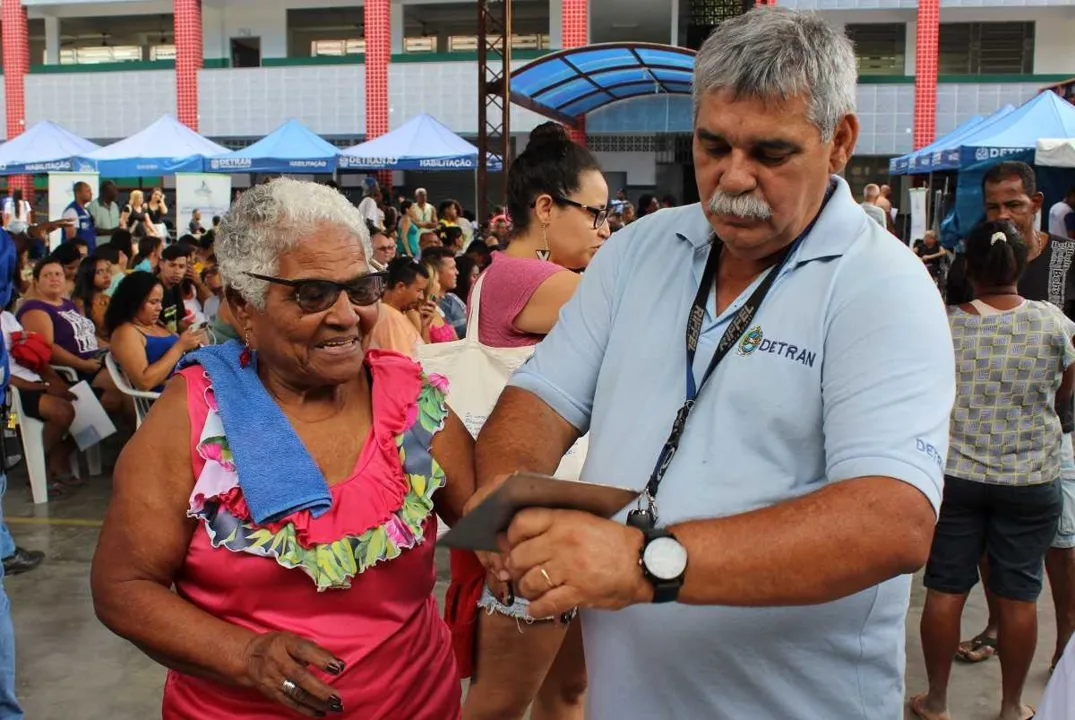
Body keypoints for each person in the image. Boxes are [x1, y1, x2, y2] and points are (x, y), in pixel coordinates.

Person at [468, 8, 954, 718]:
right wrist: (507, 499)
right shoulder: (641, 250)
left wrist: (644, 563)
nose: (732, 179)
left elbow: (891, 520)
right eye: (711, 145)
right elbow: (539, 398)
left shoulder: (879, 286)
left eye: (770, 153)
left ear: (839, 141)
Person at [90, 177, 474, 719]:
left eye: (361, 288)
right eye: (313, 294)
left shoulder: (413, 403)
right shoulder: (195, 419)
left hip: (419, 704)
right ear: (243, 307)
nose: (347, 316)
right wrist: (244, 655)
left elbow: (486, 525)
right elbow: (123, 586)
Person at [449, 121, 610, 720]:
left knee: (565, 691)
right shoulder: (528, 277)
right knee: (498, 705)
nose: (604, 228)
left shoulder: (503, 274)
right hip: (536, 515)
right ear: (546, 208)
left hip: (557, 507)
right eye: (594, 214)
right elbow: (639, 311)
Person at [914, 219, 1071, 720]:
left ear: (969, 268)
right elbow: (1063, 394)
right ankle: (1009, 707)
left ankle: (935, 702)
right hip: (1030, 479)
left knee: (945, 588)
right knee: (1019, 595)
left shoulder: (945, 323)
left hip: (956, 478)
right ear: (1022, 264)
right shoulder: (1054, 323)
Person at [958, 160, 1075, 671]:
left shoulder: (1068, 259)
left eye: (1014, 204)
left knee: (1061, 543)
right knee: (990, 544)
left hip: (1058, 433)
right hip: (983, 441)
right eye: (993, 207)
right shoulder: (977, 260)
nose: (1003, 214)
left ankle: (1066, 645)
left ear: (1036, 204)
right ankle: (998, 625)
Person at [16, 257, 124, 414]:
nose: (54, 278)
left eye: (58, 274)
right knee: (124, 389)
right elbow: (47, 348)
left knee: (132, 371)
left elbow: (88, 334)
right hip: (75, 370)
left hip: (97, 358)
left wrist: (112, 347)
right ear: (36, 281)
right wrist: (82, 364)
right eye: (47, 275)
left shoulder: (68, 304)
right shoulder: (35, 308)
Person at [1, 309, 79, 495]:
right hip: (12, 392)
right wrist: (43, 387)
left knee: (88, 407)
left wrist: (55, 381)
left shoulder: (7, 317)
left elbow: (32, 354)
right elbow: (4, 377)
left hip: (33, 379)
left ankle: (57, 459)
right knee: (63, 411)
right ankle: (39, 467)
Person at [107, 272, 205, 392]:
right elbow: (144, 382)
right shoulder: (126, 333)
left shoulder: (156, 323)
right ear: (134, 302)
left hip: (190, 386)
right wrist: (180, 347)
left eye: (160, 301)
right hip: (170, 399)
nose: (160, 307)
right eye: (153, 302)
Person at [367, 257, 431, 359]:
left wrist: (425, 327)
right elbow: (401, 368)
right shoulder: (389, 318)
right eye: (419, 290)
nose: (421, 297)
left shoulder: (396, 314)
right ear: (400, 287)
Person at [423, 247, 465, 339]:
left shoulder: (452, 297)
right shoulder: (424, 308)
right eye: (452, 268)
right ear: (435, 272)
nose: (457, 272)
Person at [72, 255, 113, 341]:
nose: (106, 275)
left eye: (108, 271)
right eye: (99, 272)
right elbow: (86, 335)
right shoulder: (79, 303)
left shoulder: (108, 299)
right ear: (88, 274)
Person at [158, 244, 192, 334]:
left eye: (181, 267)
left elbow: (178, 322)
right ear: (161, 264)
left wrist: (194, 329)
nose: (177, 271)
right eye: (172, 265)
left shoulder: (175, 286)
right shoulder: (153, 288)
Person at [87, 180, 127, 247]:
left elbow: (117, 224)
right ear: (104, 192)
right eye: (113, 190)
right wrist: (110, 232)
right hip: (100, 245)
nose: (116, 193)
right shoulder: (93, 206)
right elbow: (90, 229)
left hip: (115, 245)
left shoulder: (115, 206)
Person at [63, 181, 97, 252]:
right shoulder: (71, 211)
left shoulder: (87, 211)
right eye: (87, 191)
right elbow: (71, 239)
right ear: (78, 193)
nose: (91, 193)